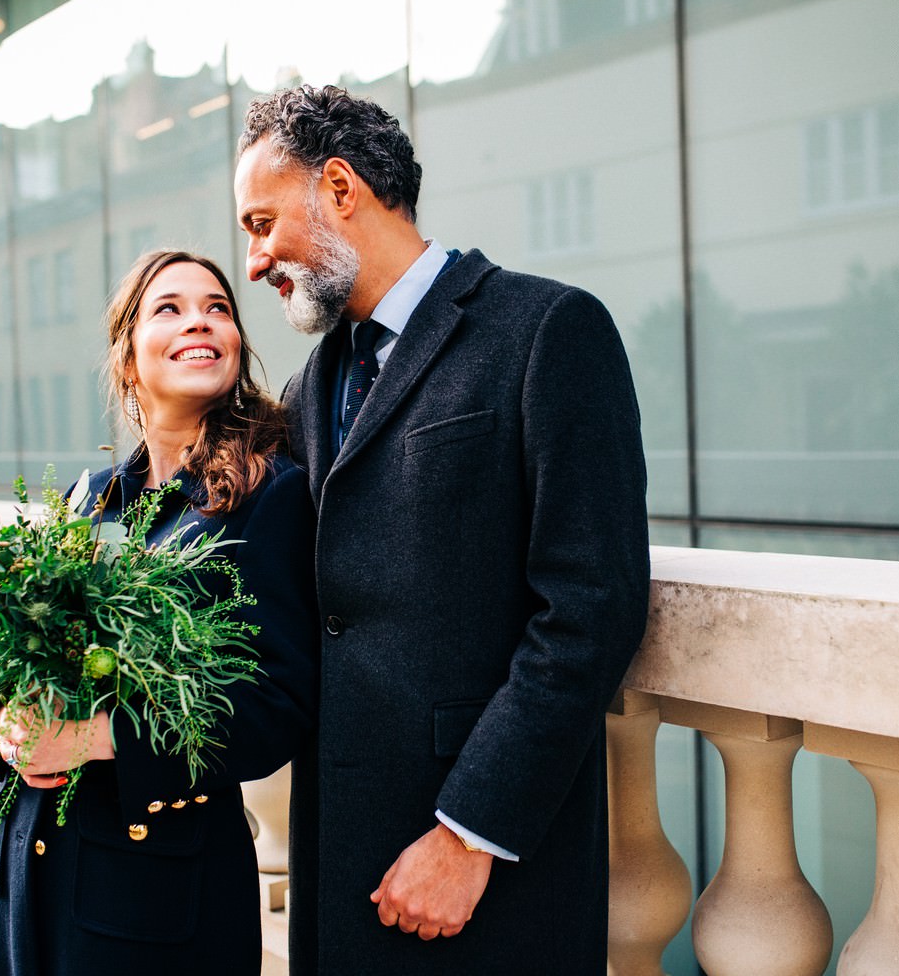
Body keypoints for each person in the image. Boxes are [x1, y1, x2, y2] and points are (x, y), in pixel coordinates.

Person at [233, 85, 651, 974]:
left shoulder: (547, 330)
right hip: (339, 856)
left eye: (263, 223)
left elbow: (591, 609)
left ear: (340, 189)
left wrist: (469, 836)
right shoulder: (316, 382)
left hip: (482, 872)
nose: (257, 258)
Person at [0, 250, 319, 975]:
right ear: (128, 360)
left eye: (218, 308)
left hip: (151, 897)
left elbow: (275, 708)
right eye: (171, 308)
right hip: (29, 873)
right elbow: (23, 648)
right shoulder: (93, 498)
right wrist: (4, 722)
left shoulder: (267, 495)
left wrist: (96, 738)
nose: (201, 320)